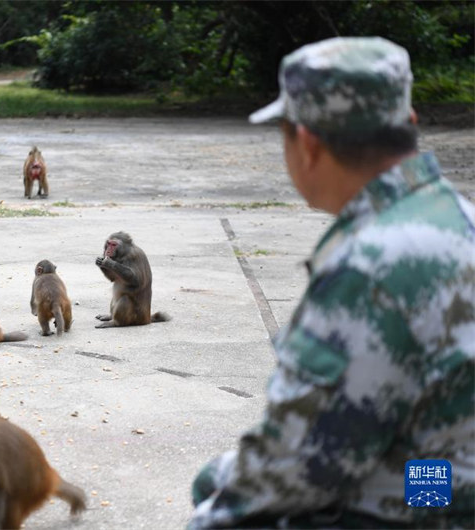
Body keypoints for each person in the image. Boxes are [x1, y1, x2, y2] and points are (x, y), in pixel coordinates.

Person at [190, 37, 474, 529]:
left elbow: (301, 461)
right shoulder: (457, 217)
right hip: (445, 475)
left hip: (433, 505)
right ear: (409, 124)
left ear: (307, 143)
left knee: (225, 495)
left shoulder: (369, 266)